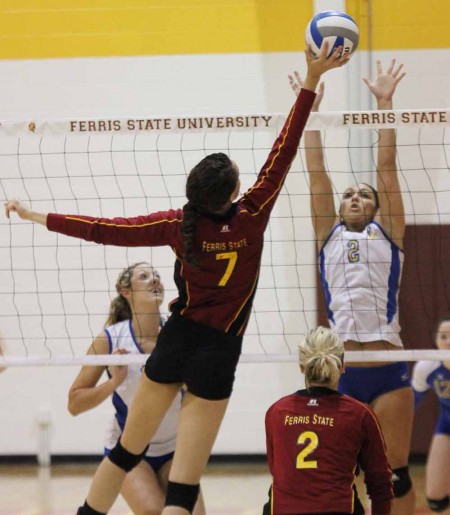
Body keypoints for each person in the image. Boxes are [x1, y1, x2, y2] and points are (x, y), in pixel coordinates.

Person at [5, 44, 348, 515]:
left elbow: (103, 230)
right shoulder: (253, 212)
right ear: (231, 192)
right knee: (183, 489)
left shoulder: (175, 224)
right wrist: (310, 79)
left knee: (125, 452)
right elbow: (285, 147)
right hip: (219, 349)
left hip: (177, 340)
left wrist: (36, 215)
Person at [288, 59, 416, 514]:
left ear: (377, 207)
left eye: (364, 194)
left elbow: (386, 164)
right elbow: (316, 172)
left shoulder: (389, 233)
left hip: (386, 363)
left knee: (395, 476)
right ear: (340, 207)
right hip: (336, 371)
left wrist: (386, 106)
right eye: (349, 195)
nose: (355, 197)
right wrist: (313, 113)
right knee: (342, 477)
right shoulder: (328, 234)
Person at [67, 262, 205, 515]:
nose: (155, 280)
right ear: (126, 291)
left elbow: (203, 388)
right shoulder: (110, 340)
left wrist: (181, 370)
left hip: (175, 447)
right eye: (144, 276)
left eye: (157, 276)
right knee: (152, 511)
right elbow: (74, 403)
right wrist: (113, 382)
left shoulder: (179, 335)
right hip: (130, 451)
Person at [264, 326, 393, 514]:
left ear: (301, 367)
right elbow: (380, 484)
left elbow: (277, 469)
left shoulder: (277, 412)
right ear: (342, 366)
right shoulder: (359, 414)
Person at [412, 315, 450, 514]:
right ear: (436, 340)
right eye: (443, 336)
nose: (448, 341)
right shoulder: (427, 367)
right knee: (435, 496)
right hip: (446, 425)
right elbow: (411, 403)